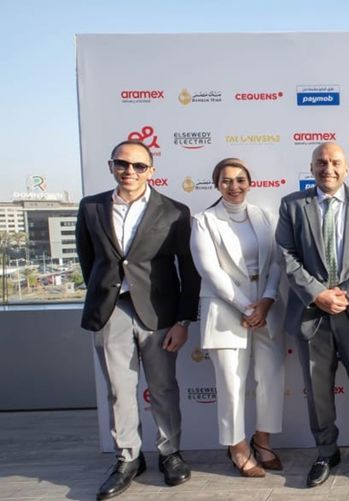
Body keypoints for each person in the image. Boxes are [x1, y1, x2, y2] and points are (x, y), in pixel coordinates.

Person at [75, 140, 200, 500]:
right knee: (119, 390)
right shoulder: (91, 207)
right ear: (111, 165)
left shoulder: (174, 211)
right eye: (122, 164)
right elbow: (88, 260)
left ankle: (169, 453)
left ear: (151, 170)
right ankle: (128, 459)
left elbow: (188, 269)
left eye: (138, 166)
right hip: (110, 309)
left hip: (159, 312)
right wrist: (103, 296)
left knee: (163, 387)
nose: (129, 171)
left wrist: (183, 320)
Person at [275, 142, 349, 487]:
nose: (329, 168)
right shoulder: (292, 205)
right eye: (321, 162)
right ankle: (326, 451)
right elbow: (285, 254)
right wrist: (318, 293)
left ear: (346, 167)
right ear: (311, 168)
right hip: (312, 314)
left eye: (335, 162)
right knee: (318, 390)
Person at [190, 158, 286, 477]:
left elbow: (277, 261)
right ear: (217, 184)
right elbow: (210, 271)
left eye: (240, 180)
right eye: (227, 180)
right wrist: (247, 307)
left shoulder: (264, 216)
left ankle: (263, 440)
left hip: (266, 305)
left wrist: (266, 301)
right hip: (225, 307)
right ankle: (238, 447)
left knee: (270, 376)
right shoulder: (203, 221)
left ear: (250, 183)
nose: (234, 186)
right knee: (231, 383)